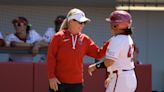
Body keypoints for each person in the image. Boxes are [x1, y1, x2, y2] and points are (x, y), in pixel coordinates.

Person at [46, 8, 109, 92]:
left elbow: (98, 54)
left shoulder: (85, 39)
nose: (82, 25)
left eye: (84, 23)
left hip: (77, 84)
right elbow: (51, 58)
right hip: (58, 83)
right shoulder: (58, 37)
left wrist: (110, 42)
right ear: (71, 21)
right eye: (80, 22)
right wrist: (51, 77)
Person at [88, 10, 137, 92]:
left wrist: (95, 66)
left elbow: (110, 61)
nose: (111, 25)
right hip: (128, 76)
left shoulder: (117, 39)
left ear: (116, 25)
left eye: (113, 23)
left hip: (121, 77)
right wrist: (111, 76)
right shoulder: (127, 38)